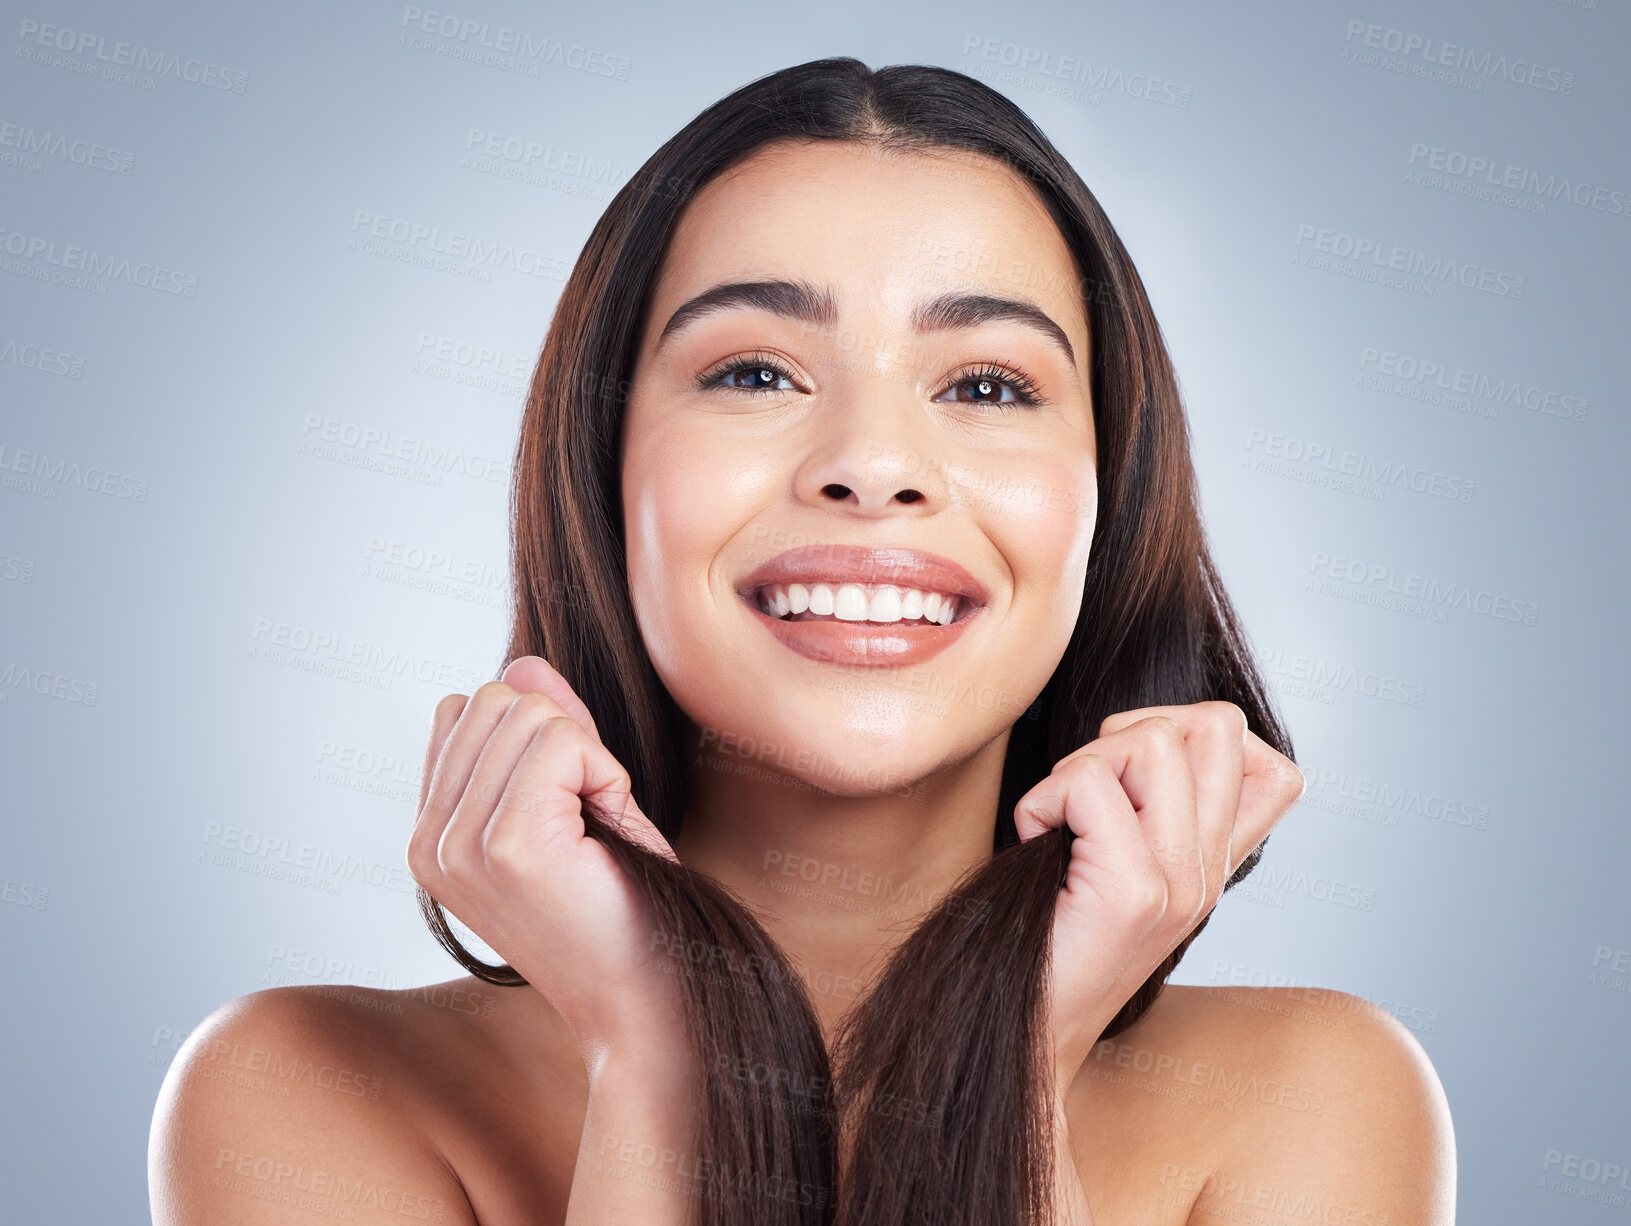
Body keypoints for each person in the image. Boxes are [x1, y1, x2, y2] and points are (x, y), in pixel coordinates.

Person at [149, 58, 1455, 1225]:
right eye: (756, 372)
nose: (873, 463)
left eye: (987, 385)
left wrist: (1005, 1068)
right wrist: (656, 1052)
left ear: (1108, 503)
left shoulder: (1316, 1105)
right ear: (604, 474)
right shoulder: (307, 1095)